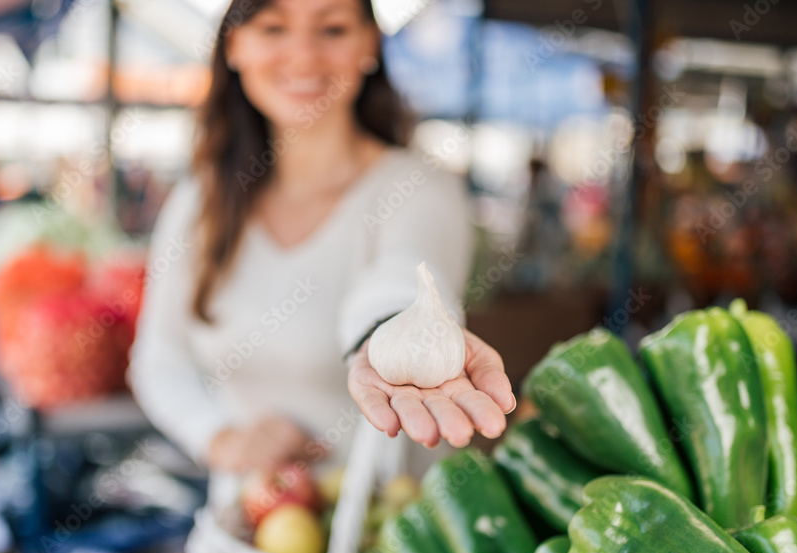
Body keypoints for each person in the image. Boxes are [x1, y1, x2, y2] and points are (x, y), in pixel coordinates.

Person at [129, 0, 514, 508]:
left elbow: (406, 274)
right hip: (244, 543)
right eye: (273, 28)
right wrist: (221, 438)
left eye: (332, 28)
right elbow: (159, 361)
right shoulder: (199, 202)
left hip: (393, 551)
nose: (303, 55)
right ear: (234, 46)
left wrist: (388, 334)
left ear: (370, 45)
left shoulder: (420, 188)